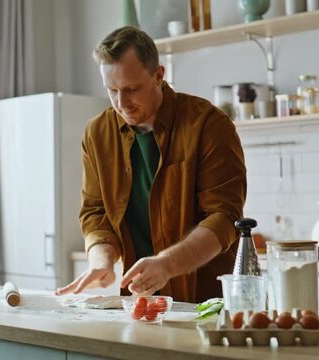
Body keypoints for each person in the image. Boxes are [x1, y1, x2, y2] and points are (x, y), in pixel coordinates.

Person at [55, 26, 246, 303]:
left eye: (132, 89)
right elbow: (95, 212)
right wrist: (101, 259)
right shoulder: (98, 134)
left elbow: (224, 218)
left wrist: (167, 264)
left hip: (206, 302)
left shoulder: (208, 125)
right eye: (112, 91)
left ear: (159, 75)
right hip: (138, 300)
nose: (122, 104)